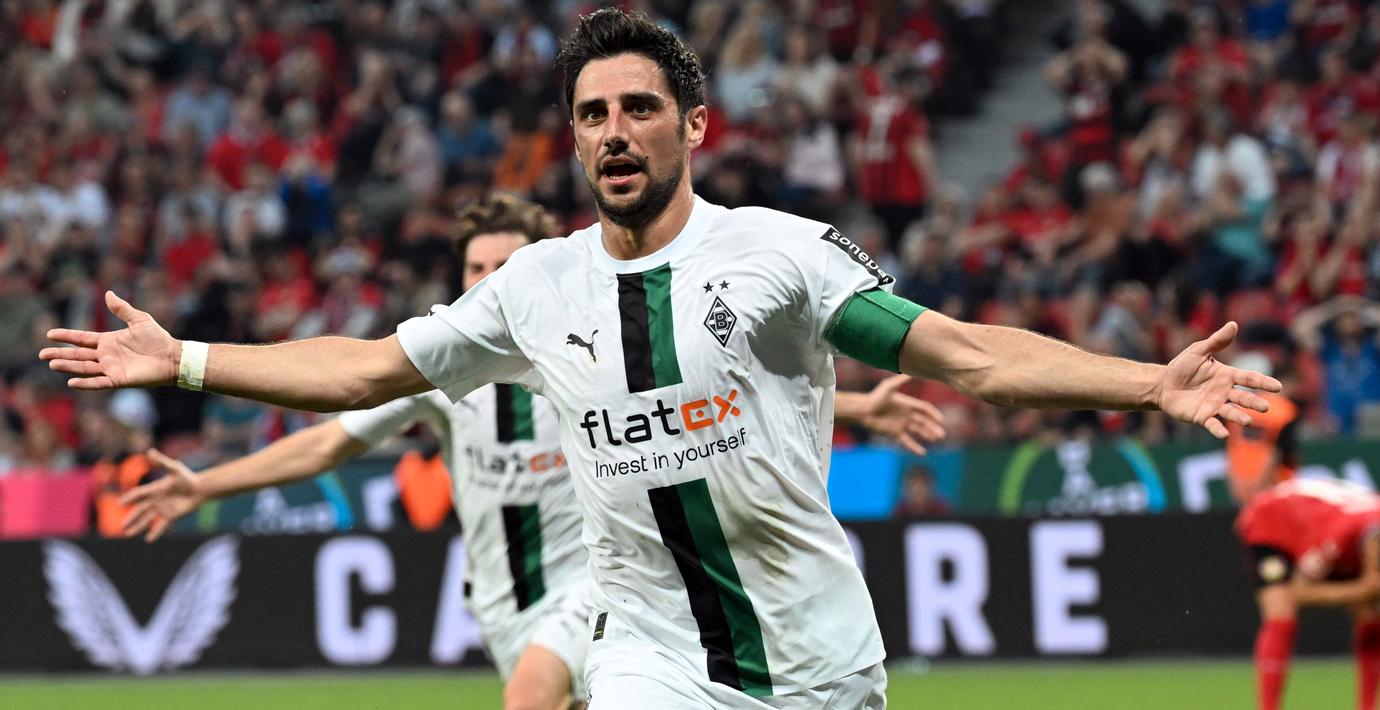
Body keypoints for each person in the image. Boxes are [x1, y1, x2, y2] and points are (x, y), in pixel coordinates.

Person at [42, 9, 1280, 708]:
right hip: (648, 654)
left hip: (818, 653)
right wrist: (187, 358)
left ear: (692, 125)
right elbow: (363, 372)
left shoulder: (780, 255)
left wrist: (1148, 381)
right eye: (592, 114)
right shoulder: (532, 287)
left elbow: (968, 355)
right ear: (574, 141)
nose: (614, 131)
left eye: (638, 107)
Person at [113, 194, 945, 710]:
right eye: (474, 266)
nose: (487, 278)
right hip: (505, 606)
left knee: (528, 698)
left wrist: (856, 404)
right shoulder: (443, 380)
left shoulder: (579, 352)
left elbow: (702, 402)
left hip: (601, 592)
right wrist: (207, 486)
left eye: (501, 265)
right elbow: (330, 436)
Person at [1236, 478, 1380, 710]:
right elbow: (1300, 592)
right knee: (1281, 610)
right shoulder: (1335, 539)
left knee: (1369, 614)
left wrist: (1367, 588)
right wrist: (1361, 589)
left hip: (1321, 520)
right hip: (1272, 523)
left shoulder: (1368, 533)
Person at [1225, 353, 1300, 504]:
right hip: (1273, 484)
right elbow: (1279, 452)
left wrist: (1234, 481)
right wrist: (1263, 483)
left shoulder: (1241, 407)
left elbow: (1230, 448)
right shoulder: (1285, 410)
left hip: (1241, 481)